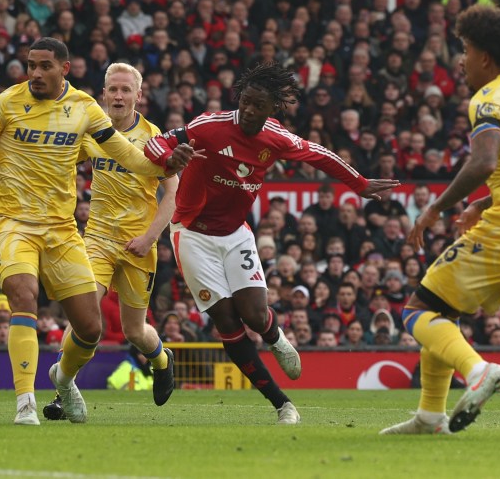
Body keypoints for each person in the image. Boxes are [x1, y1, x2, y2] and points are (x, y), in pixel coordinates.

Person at [0, 37, 197, 426]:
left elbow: (134, 160)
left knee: (104, 328)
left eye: (44, 66)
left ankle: (135, 364)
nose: (35, 73)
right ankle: (27, 401)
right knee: (23, 294)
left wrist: (164, 171)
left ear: (64, 68)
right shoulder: (7, 102)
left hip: (88, 235)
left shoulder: (94, 115)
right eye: (31, 65)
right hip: (25, 223)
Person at [144, 63, 398, 424]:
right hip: (193, 234)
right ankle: (282, 404)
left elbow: (319, 154)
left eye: (257, 105)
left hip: (235, 234)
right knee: (227, 321)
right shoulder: (209, 126)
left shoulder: (276, 137)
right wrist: (169, 159)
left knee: (255, 314)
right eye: (245, 101)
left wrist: (358, 183)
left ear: (271, 110)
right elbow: (155, 143)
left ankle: (275, 336)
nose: (248, 110)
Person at [383, 5, 500, 436]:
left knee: (416, 312)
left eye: (465, 49)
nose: (460, 60)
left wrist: (436, 208)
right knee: (441, 309)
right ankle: (430, 417)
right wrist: (480, 206)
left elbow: (483, 161)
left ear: (486, 56)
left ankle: (479, 371)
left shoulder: (488, 97)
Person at [44, 62, 179, 420]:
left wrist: (150, 237)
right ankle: (63, 390)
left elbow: (172, 196)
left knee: (135, 331)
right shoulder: (92, 131)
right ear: (103, 94)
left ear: (138, 95)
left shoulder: (153, 139)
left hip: (138, 244)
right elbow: (64, 161)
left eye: (125, 90)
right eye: (112, 90)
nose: (118, 96)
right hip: (98, 239)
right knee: (82, 316)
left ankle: (163, 360)